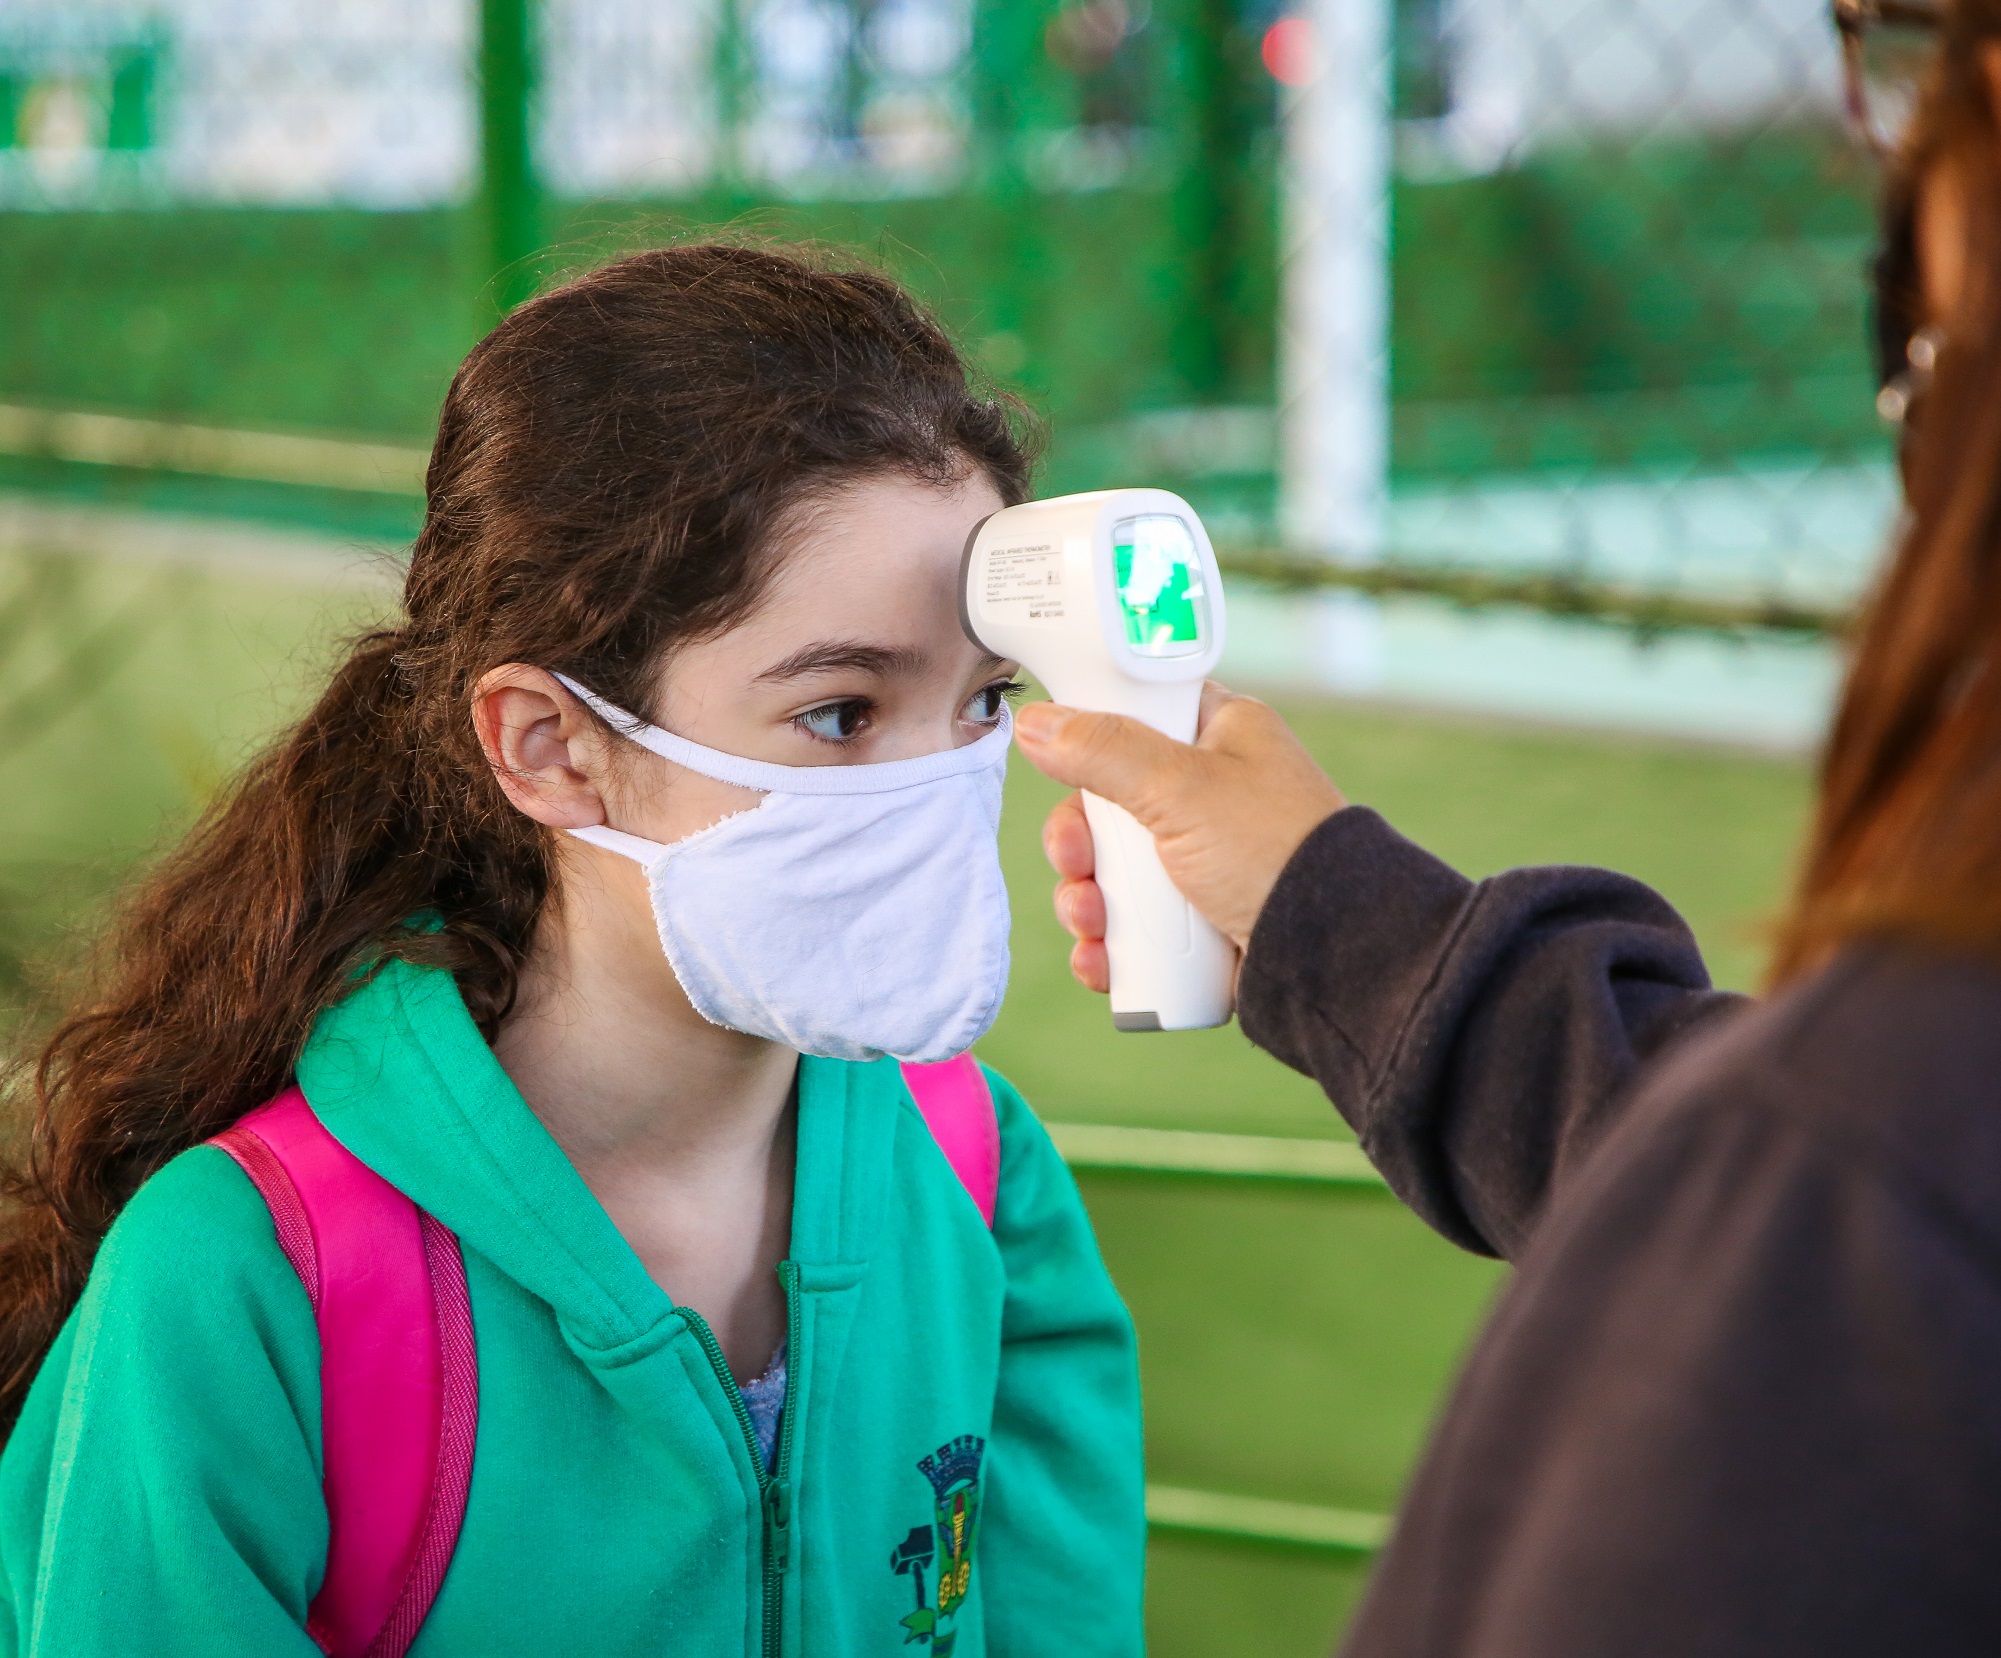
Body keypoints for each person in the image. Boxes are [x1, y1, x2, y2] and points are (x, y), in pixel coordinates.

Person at [1013, 4, 2001, 1652]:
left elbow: (1839, 1226)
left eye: (1926, 64)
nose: (1887, 163)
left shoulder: (1874, 1167)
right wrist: (1354, 932)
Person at [0, 248, 1144, 1656]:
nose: (939, 779)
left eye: (982, 700)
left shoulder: (975, 1169)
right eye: (842, 713)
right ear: (552, 748)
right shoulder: (250, 1278)